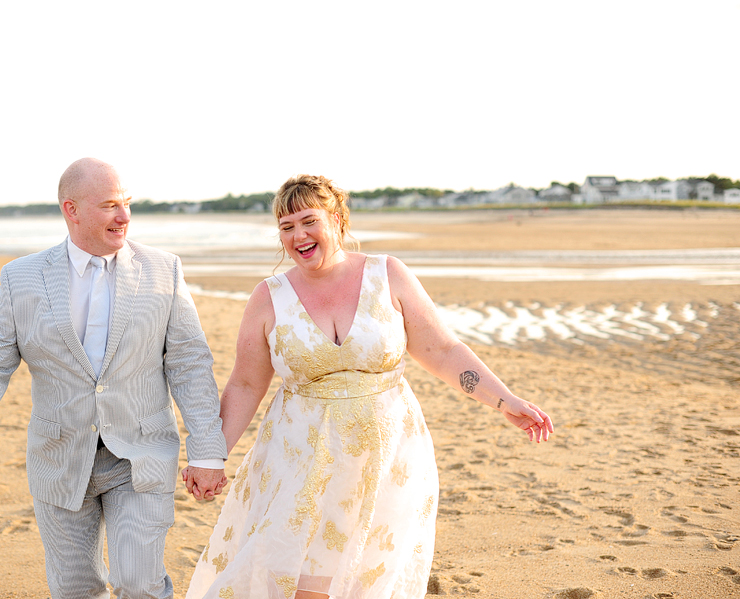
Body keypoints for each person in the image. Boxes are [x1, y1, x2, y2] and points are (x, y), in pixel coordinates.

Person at [185, 175, 554, 599]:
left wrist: (504, 400)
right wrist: (210, 457)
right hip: (299, 460)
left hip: (386, 457)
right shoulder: (268, 298)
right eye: (286, 227)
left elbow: (443, 350)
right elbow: (247, 384)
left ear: (338, 220)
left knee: (367, 582)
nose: (298, 236)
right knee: (303, 582)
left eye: (309, 221)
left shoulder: (388, 274)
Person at [0, 157, 228, 599]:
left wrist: (208, 451)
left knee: (138, 582)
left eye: (127, 203)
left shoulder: (163, 270)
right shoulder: (22, 277)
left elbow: (189, 362)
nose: (124, 216)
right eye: (110, 205)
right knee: (76, 589)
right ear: (71, 210)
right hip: (58, 457)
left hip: (140, 455)